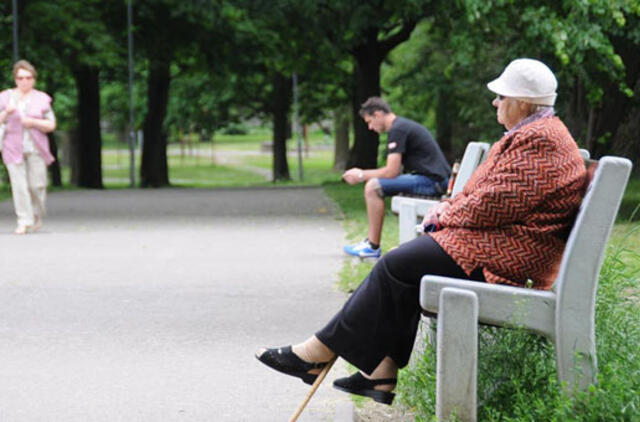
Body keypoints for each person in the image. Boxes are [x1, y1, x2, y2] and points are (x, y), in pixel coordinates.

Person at [256, 58, 587, 405]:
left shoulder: (541, 140)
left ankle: (319, 352)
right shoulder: (534, 134)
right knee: (401, 269)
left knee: (395, 266)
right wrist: (450, 211)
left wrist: (445, 212)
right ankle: (378, 373)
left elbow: (494, 203)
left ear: (522, 102)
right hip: (503, 244)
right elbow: (492, 197)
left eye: (501, 96)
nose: (494, 102)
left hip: (510, 257)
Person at [342, 97, 451, 258]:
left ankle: (372, 246)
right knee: (375, 184)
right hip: (438, 181)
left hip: (433, 182)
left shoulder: (398, 129)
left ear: (378, 114)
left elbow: (391, 172)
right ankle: (372, 244)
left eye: (370, 121)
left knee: (373, 186)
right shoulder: (402, 126)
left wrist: (360, 175)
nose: (370, 127)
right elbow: (396, 170)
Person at [0, 60, 56, 234]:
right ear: (15, 79)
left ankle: (37, 214)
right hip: (12, 147)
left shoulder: (42, 99)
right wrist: (6, 112)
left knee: (36, 185)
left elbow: (51, 124)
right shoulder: (5, 97)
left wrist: (32, 122)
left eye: (28, 77)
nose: (24, 81)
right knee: (19, 186)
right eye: (20, 78)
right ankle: (24, 220)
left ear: (34, 79)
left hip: (36, 148)